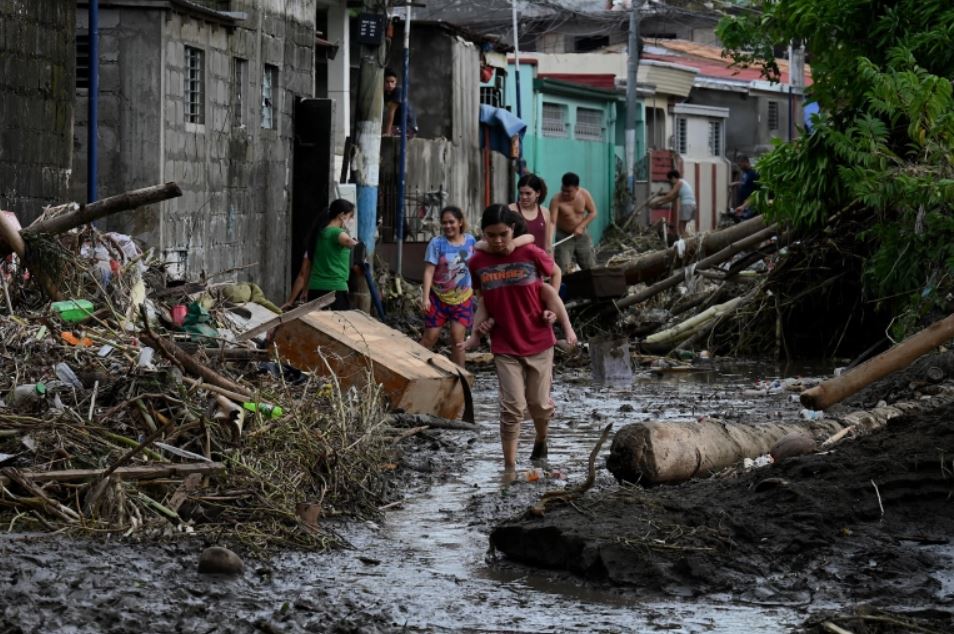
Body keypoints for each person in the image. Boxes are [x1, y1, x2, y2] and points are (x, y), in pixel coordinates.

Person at [466, 204, 558, 474]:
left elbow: (554, 275)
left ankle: (542, 438)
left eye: (503, 234)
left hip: (538, 339)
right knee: (512, 407)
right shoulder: (477, 262)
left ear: (513, 230)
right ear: (483, 233)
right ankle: (509, 467)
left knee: (539, 404)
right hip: (504, 343)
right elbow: (483, 298)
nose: (497, 241)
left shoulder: (529, 251)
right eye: (491, 235)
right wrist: (477, 332)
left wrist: (551, 307)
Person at [419, 206, 477, 368]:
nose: (448, 226)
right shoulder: (436, 244)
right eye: (444, 223)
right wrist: (425, 299)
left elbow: (477, 266)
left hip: (463, 299)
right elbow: (429, 272)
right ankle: (413, 369)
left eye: (451, 222)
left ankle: (460, 378)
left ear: (460, 222)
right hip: (438, 298)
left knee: (458, 340)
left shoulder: (471, 241)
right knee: (431, 336)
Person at [285, 199, 358, 310]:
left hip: (315, 288)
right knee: (338, 326)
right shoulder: (337, 233)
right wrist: (356, 243)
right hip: (335, 289)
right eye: (350, 216)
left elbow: (306, 270)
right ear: (342, 215)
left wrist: (304, 291)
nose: (351, 220)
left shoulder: (318, 235)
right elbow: (349, 242)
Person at [549, 172, 597, 273]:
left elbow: (593, 212)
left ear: (577, 189)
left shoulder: (584, 194)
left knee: (589, 266)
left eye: (569, 191)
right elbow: (552, 222)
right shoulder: (556, 200)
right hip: (564, 236)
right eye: (563, 190)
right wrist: (549, 242)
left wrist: (581, 226)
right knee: (563, 268)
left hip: (582, 235)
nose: (565, 194)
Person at [650, 169, 696, 237]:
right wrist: (659, 204)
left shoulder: (679, 183)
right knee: (683, 228)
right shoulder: (682, 184)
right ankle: (687, 241)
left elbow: (669, 195)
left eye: (670, 180)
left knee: (681, 228)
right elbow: (671, 198)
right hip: (692, 205)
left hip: (687, 205)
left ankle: (685, 242)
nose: (671, 182)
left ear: (674, 177)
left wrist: (656, 201)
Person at [383, 67, 417, 137]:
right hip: (397, 125)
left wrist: (387, 133)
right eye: (387, 82)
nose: (390, 84)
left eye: (392, 82)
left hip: (408, 127)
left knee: (387, 132)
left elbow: (391, 113)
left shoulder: (398, 91)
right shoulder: (385, 93)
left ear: (396, 82)